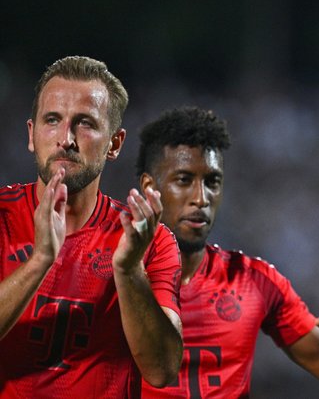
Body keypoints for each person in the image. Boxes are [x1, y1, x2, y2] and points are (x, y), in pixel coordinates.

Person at [135, 106, 319, 398]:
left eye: (212, 182)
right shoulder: (108, 279)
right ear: (150, 187)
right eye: (184, 180)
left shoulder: (252, 280)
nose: (201, 198)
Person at [0, 56, 183, 397]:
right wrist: (40, 259)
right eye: (52, 120)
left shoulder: (149, 240)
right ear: (32, 134)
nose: (65, 138)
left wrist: (129, 272)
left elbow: (162, 371)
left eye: (84, 123)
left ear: (114, 143)